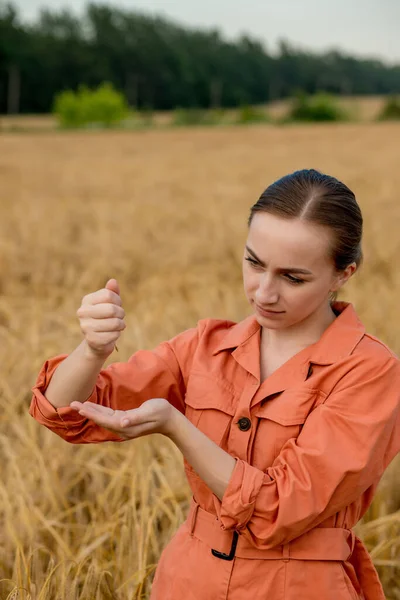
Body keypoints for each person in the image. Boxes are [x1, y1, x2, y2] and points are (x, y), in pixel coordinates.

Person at [30, 169, 400, 600]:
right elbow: (63, 413)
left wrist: (175, 426)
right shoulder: (205, 346)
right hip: (186, 582)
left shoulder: (370, 372)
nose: (264, 292)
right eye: (254, 263)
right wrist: (92, 350)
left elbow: (278, 508)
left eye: (293, 278)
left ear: (344, 273)